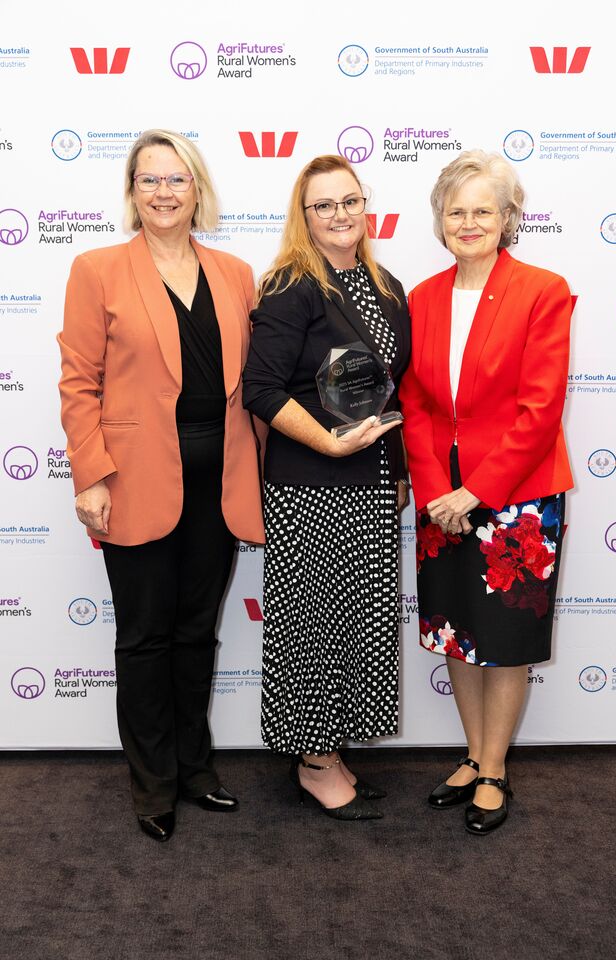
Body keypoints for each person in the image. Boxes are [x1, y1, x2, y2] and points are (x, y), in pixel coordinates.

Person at [58, 129, 264, 842]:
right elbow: (78, 384)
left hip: (220, 480)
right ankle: (152, 783)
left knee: (196, 634)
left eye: (176, 179)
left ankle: (196, 770)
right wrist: (92, 474)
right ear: (132, 191)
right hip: (135, 480)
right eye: (149, 179)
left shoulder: (236, 273)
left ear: (197, 189)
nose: (164, 192)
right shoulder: (98, 270)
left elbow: (254, 384)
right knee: (145, 637)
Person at [399, 150, 573, 835]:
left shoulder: (542, 290)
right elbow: (414, 404)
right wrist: (436, 490)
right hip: (441, 496)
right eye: (456, 211)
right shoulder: (422, 298)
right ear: (440, 220)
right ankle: (473, 755)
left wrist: (475, 492)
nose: (468, 223)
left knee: (502, 637)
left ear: (507, 218)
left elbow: (541, 409)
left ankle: (495, 769)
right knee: (457, 631)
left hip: (517, 499)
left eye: (482, 211)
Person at [243, 155, 410, 820]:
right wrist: (328, 443)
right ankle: (313, 764)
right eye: (323, 205)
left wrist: (396, 471)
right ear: (304, 215)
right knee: (313, 626)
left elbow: (391, 391)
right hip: (311, 487)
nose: (340, 214)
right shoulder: (291, 286)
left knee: (356, 623)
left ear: (365, 205)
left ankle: (331, 753)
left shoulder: (385, 285)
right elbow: (260, 388)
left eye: (349, 200)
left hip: (371, 485)